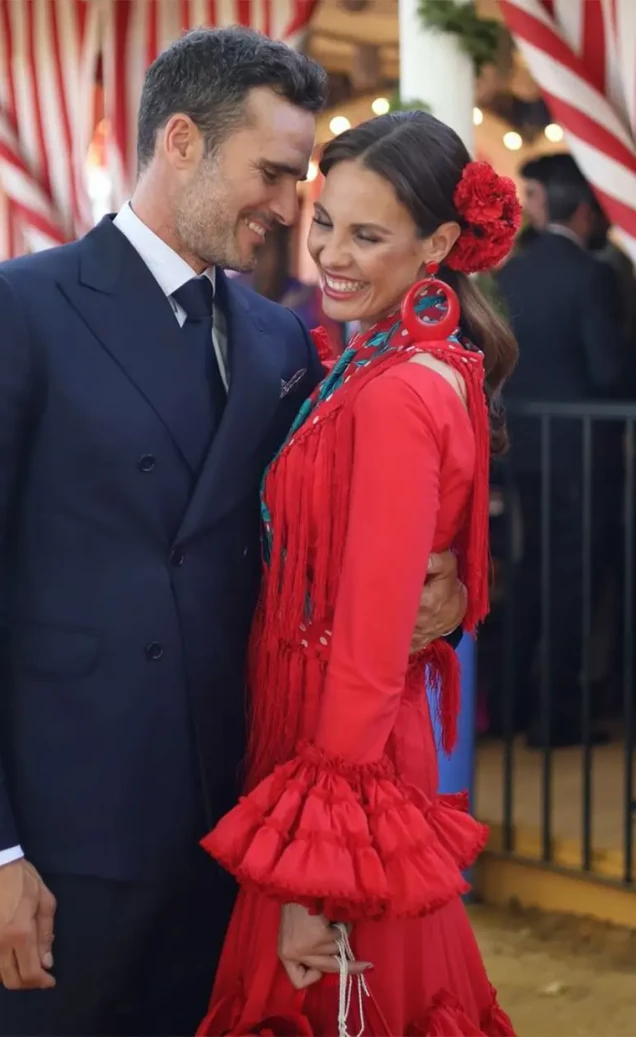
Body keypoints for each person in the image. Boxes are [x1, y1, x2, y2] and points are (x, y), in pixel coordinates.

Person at [0, 30, 467, 1037]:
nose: (290, 208)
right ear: (184, 142)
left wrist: (447, 592)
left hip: (234, 834)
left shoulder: (281, 338)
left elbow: (325, 545)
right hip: (70, 840)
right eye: (275, 173)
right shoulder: (10, 310)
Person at [199, 111, 520, 1036]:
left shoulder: (399, 390)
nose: (332, 253)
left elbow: (379, 632)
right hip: (346, 747)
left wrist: (318, 878)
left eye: (368, 234)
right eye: (325, 221)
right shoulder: (397, 362)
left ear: (443, 245)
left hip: (346, 761)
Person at [496, 157, 629, 746]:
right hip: (581, 453)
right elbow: (606, 369)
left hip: (526, 447)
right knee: (575, 579)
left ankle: (512, 708)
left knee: (530, 573)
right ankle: (558, 719)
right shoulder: (591, 274)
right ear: (586, 210)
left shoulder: (511, 273)